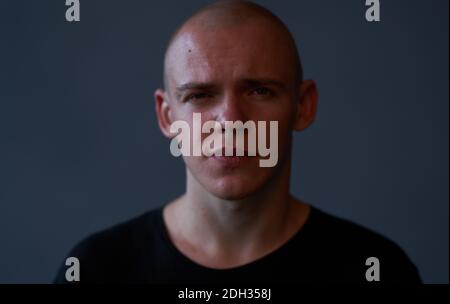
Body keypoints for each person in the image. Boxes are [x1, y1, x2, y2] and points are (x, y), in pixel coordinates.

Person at [55, 0, 421, 284]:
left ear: (303, 106)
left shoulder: (374, 268)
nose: (230, 120)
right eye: (200, 95)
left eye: (260, 90)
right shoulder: (97, 269)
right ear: (167, 116)